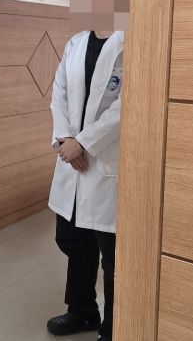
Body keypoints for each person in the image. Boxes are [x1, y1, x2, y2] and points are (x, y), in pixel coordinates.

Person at [46, 23, 124, 341]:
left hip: (107, 161)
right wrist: (67, 139)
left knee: (113, 257)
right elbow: (59, 93)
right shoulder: (75, 43)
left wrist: (85, 143)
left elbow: (128, 102)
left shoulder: (131, 40)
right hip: (72, 161)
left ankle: (114, 329)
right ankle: (83, 312)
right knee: (73, 241)